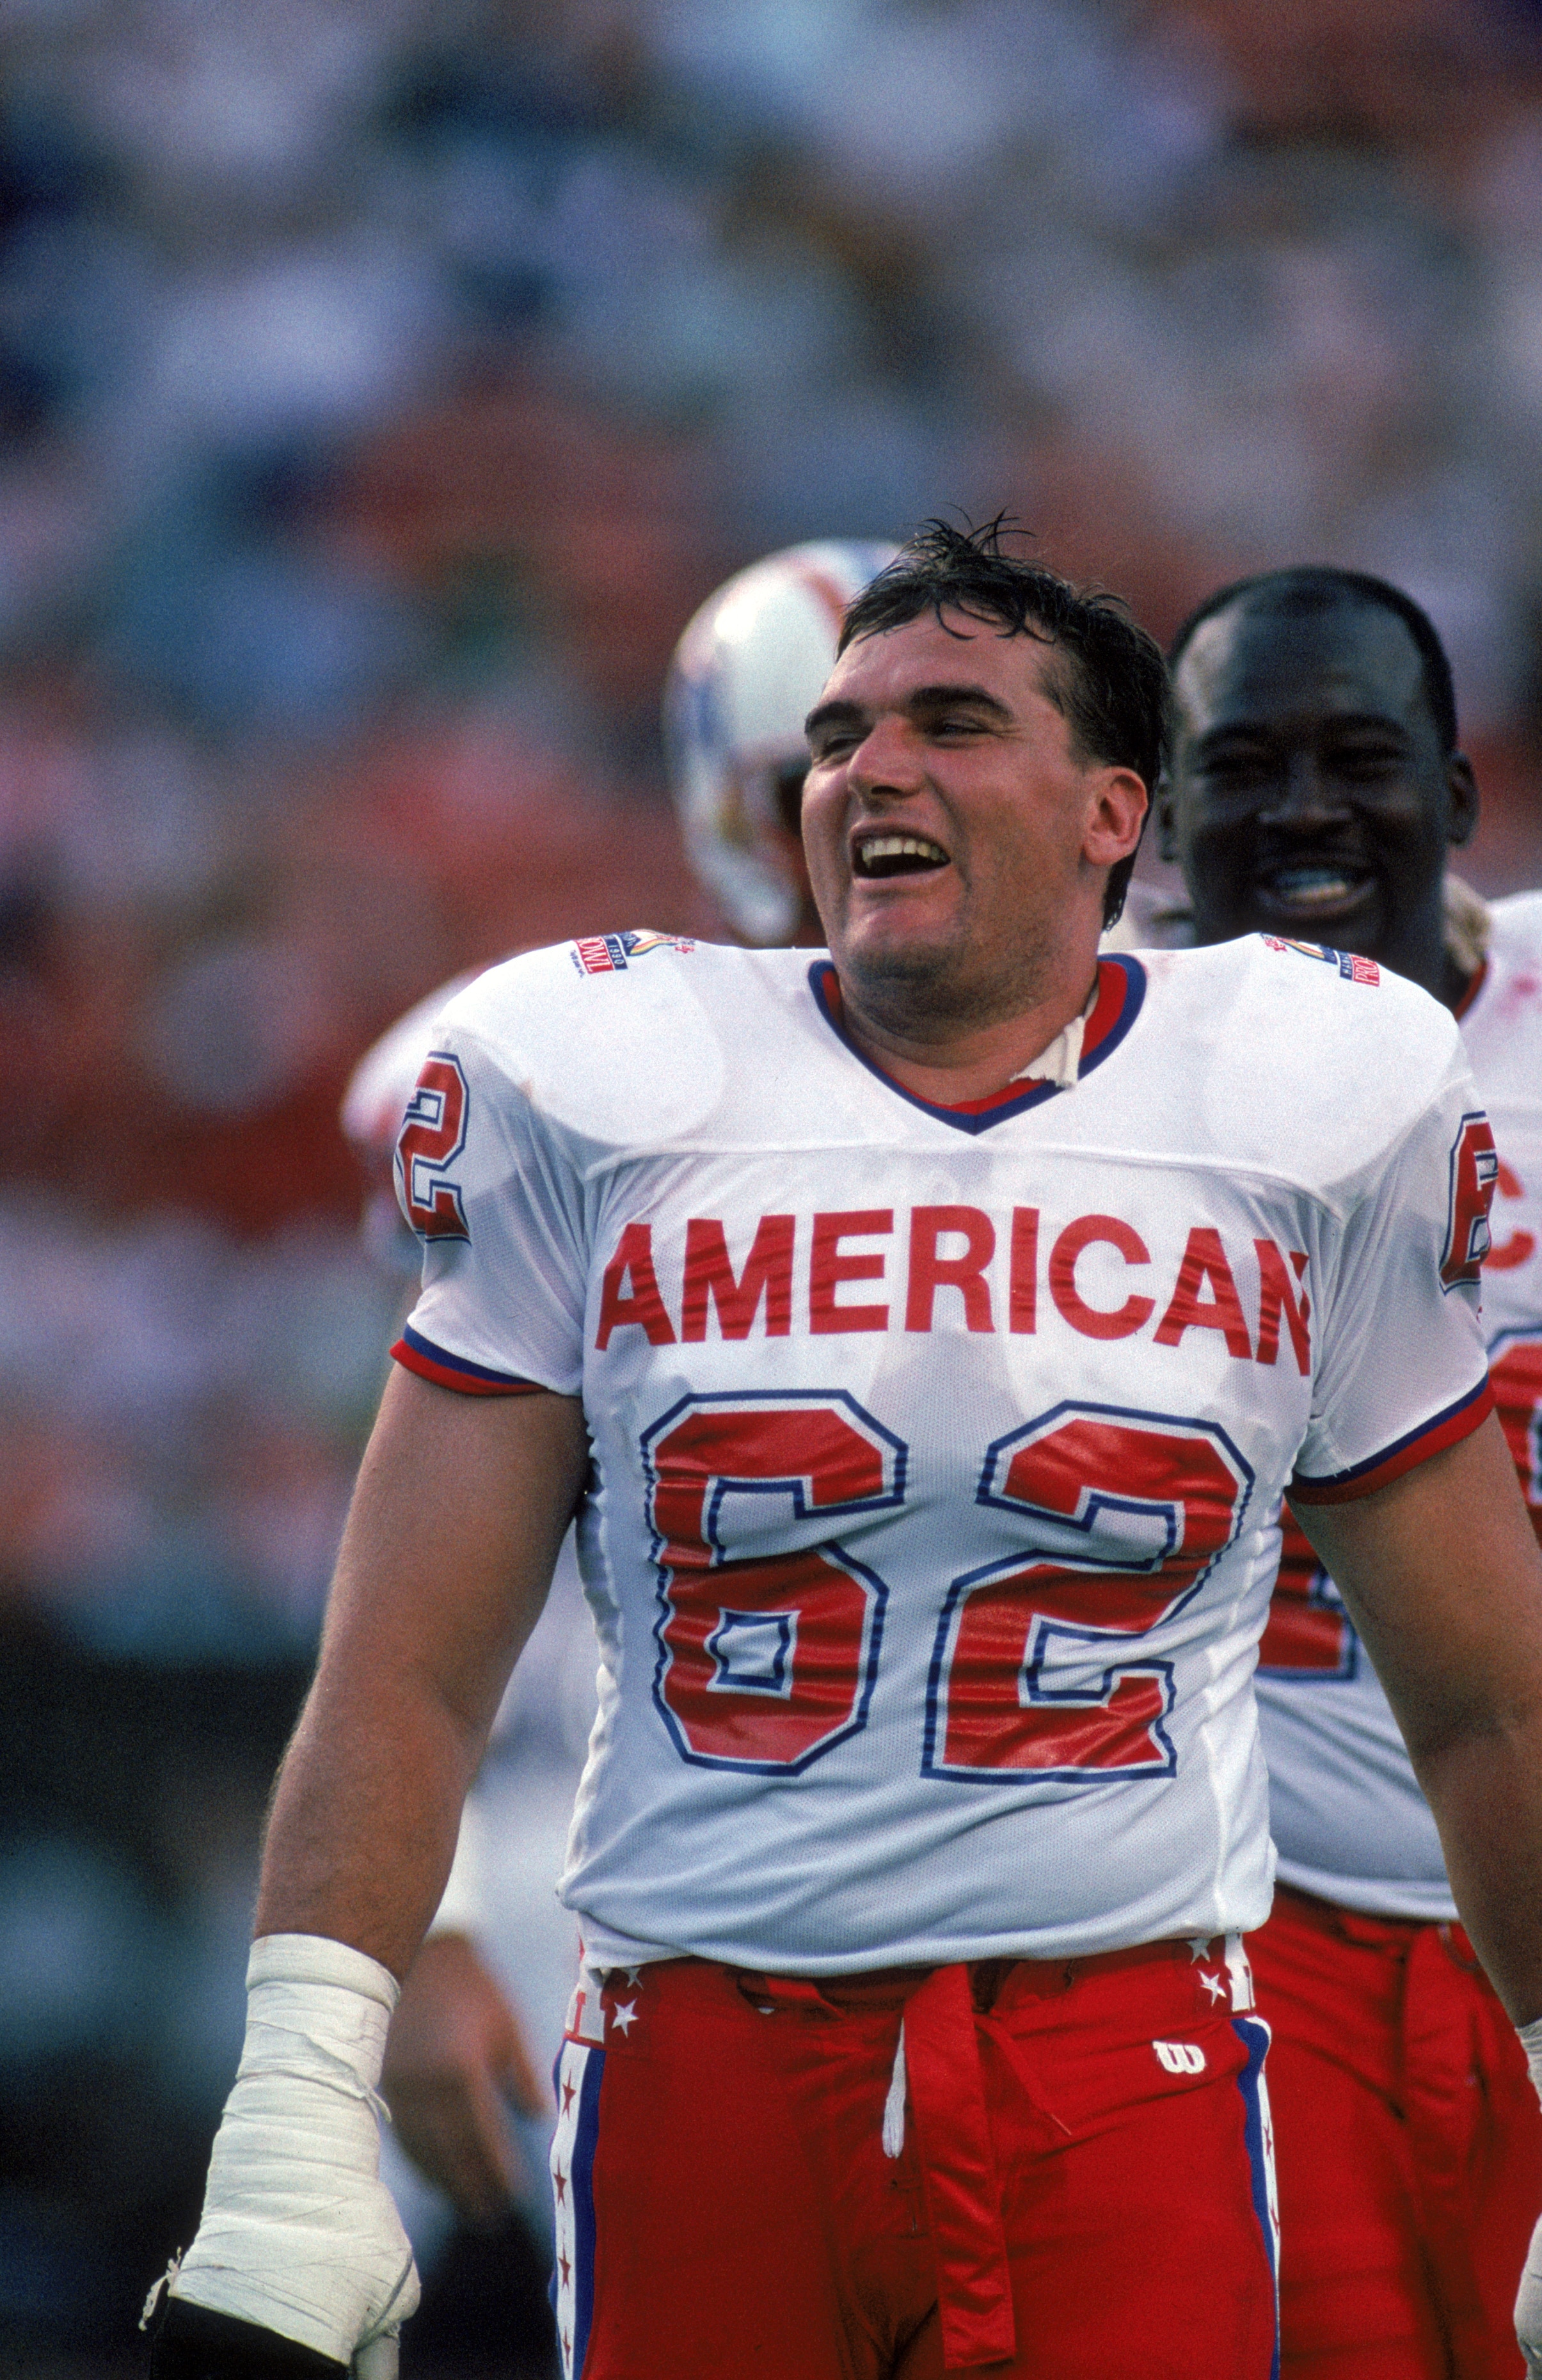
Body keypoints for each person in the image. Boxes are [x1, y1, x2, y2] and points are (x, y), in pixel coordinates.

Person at [149, 519, 1542, 2380]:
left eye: (952, 723)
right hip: (702, 2045)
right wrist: (300, 2104)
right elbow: (405, 1665)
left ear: (1114, 812)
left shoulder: (1310, 1090)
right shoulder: (596, 1075)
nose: (869, 771)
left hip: (1128, 2036)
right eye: (833, 737)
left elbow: (1485, 1696)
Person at [337, 541, 896, 2252]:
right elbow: (406, 1556)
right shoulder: (572, 1071)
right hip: (615, 1831)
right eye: (827, 771)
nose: (878, 815)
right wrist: (413, 1922)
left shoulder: (1136, 1066)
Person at [1159, 563, 1542, 2380]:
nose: (1305, 812)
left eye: (1355, 759)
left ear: (1454, 796)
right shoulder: (1077, 1093)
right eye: (1243, 768)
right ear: (1155, 820)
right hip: (1247, 1943)